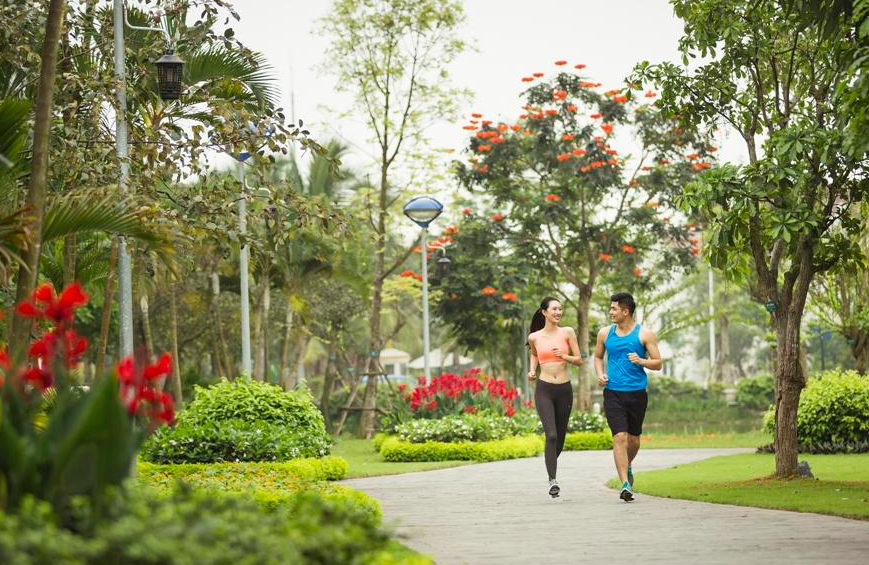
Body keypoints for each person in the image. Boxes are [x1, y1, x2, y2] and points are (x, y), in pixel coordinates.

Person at [593, 292, 662, 502]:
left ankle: (628, 464)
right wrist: (600, 374)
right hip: (613, 392)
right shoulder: (605, 334)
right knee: (619, 437)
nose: (610, 312)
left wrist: (641, 361)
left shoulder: (645, 334)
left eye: (614, 308)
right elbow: (597, 357)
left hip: (637, 393)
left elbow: (658, 363)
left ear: (626, 311)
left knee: (633, 440)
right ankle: (625, 484)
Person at [527, 296, 583, 498]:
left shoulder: (567, 332)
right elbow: (534, 354)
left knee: (559, 438)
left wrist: (564, 356)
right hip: (544, 389)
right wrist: (532, 371)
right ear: (544, 312)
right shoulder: (534, 337)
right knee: (551, 435)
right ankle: (552, 480)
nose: (558, 312)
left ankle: (550, 461)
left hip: (564, 389)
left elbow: (579, 360)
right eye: (554, 309)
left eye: (560, 309)